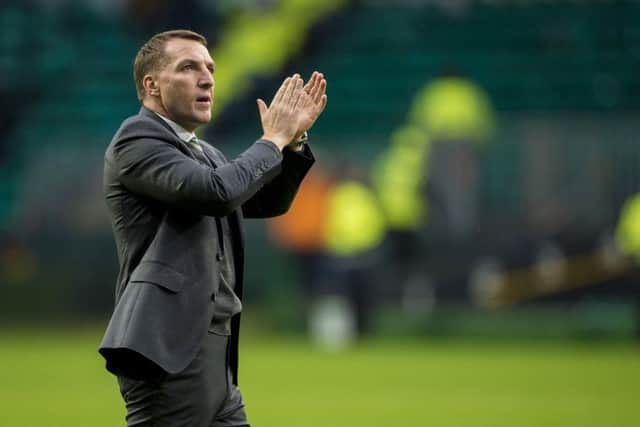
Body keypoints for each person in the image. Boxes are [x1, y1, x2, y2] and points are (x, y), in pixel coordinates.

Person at [98, 29, 327, 427]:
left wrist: (290, 143)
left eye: (210, 68)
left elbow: (261, 199)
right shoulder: (136, 139)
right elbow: (217, 192)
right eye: (188, 67)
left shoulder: (205, 151)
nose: (207, 78)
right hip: (167, 347)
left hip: (213, 353)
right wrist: (271, 139)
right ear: (151, 85)